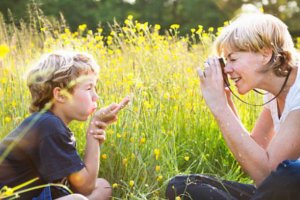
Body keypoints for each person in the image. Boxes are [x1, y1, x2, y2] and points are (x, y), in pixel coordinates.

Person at [166, 12, 300, 200]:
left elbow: (267, 175)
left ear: (265, 54)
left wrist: (220, 108)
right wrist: (226, 104)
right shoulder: (275, 91)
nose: (227, 69)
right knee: (181, 185)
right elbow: (256, 155)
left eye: (233, 59)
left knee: (290, 173)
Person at [0, 51, 130, 199]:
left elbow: (84, 185)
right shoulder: (49, 126)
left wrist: (96, 127)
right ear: (61, 95)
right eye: (89, 88)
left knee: (103, 186)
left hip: (36, 194)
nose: (96, 96)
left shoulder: (49, 123)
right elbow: (85, 188)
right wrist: (93, 133)